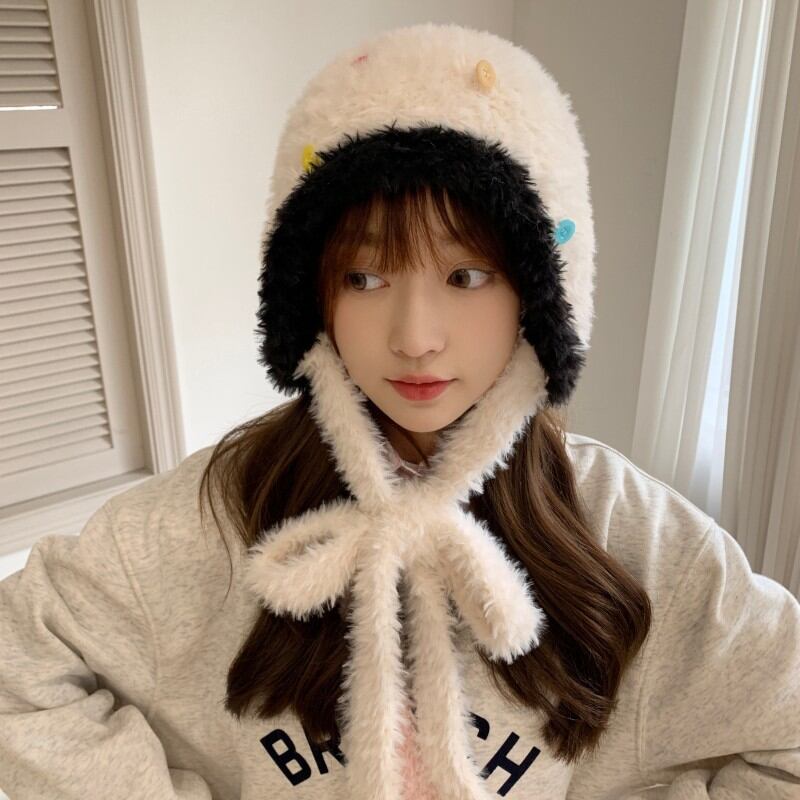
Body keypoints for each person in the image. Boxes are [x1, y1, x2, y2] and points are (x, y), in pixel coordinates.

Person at [1, 21, 798, 800]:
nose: (415, 339)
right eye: (365, 278)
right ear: (312, 297)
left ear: (539, 294)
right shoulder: (218, 518)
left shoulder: (629, 536)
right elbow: (16, 664)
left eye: (467, 276)